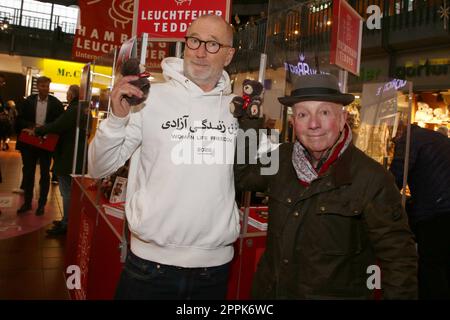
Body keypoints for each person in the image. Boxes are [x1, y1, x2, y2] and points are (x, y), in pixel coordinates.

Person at [88, 14, 238, 299]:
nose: (200, 51)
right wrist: (117, 119)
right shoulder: (149, 98)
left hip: (214, 271)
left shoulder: (236, 110)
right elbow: (98, 168)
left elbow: (257, 172)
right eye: (194, 40)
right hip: (148, 267)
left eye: (213, 44)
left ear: (228, 56)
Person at [235, 73, 418, 299]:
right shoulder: (281, 159)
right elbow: (243, 176)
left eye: (324, 112)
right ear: (294, 123)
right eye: (303, 114)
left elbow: (398, 259)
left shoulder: (371, 178)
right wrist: (249, 124)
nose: (313, 124)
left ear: (342, 118)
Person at [390, 124, 450, 299]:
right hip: (442, 205)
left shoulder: (408, 140)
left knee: (432, 266)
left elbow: (396, 177)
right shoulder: (434, 137)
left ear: (398, 131)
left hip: (435, 210)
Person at [31, 85, 86, 235]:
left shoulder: (74, 109)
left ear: (72, 95)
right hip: (75, 155)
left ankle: (66, 223)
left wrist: (37, 130)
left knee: (66, 191)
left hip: (69, 156)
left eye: (68, 93)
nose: (67, 96)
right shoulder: (83, 109)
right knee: (69, 191)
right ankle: (67, 219)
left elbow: (58, 125)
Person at [16, 76, 64, 216]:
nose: (45, 89)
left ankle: (42, 204)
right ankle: (27, 203)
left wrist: (47, 128)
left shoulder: (56, 103)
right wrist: (31, 126)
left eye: (47, 86)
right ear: (38, 87)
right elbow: (19, 120)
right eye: (43, 86)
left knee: (45, 174)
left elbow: (59, 123)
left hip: (46, 143)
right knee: (29, 173)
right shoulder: (28, 102)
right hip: (29, 144)